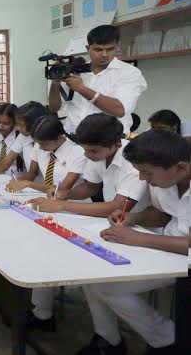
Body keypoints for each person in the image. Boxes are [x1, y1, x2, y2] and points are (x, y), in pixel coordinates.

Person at [76, 130, 189, 355]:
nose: (141, 179)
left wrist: (139, 238)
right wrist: (134, 218)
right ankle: (107, 341)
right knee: (92, 275)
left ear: (180, 167)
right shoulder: (164, 179)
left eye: (146, 173)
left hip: (182, 257)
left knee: (109, 287)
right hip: (166, 246)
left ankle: (166, 339)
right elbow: (164, 213)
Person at [5, 114, 88, 332]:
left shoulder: (77, 152)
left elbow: (62, 190)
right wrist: (23, 182)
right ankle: (42, 312)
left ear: (60, 137)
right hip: (48, 206)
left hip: (74, 211)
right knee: (31, 245)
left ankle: (49, 304)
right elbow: (37, 179)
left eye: (44, 144)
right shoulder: (40, 147)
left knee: (44, 250)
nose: (40, 148)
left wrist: (29, 184)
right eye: (37, 143)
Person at [30, 113, 149, 217]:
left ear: (117, 145)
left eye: (93, 151)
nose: (86, 155)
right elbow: (90, 186)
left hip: (140, 226)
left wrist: (62, 205)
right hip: (113, 220)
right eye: (84, 149)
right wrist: (66, 194)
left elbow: (117, 207)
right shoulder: (97, 153)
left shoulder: (134, 162)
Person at [48, 25, 147, 135]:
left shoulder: (129, 72)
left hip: (108, 142)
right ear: (87, 48)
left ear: (117, 47)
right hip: (73, 139)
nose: (104, 54)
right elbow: (54, 108)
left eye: (110, 49)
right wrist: (55, 81)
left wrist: (82, 89)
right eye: (98, 49)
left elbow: (119, 110)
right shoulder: (75, 70)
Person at [0, 102, 47, 175]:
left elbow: (35, 175)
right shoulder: (23, 136)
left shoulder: (47, 141)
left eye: (20, 125)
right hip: (30, 184)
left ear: (33, 124)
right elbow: (4, 165)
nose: (17, 128)